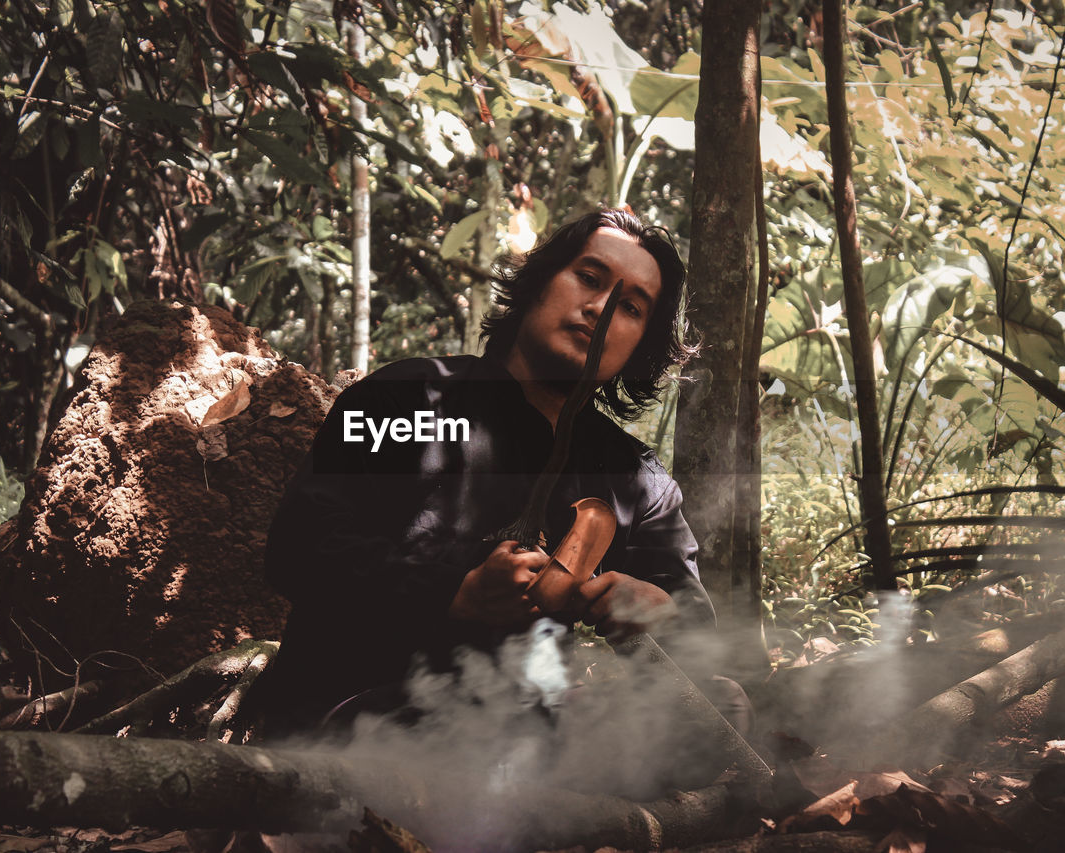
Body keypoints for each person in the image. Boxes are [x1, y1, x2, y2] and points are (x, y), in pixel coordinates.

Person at [260, 209, 721, 733]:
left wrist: (657, 614)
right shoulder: (408, 400)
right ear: (537, 282)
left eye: (631, 308)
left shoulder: (634, 479)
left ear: (641, 344)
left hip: (532, 735)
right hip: (357, 719)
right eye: (589, 279)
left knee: (719, 710)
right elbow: (298, 548)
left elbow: (697, 637)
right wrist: (453, 593)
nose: (600, 308)